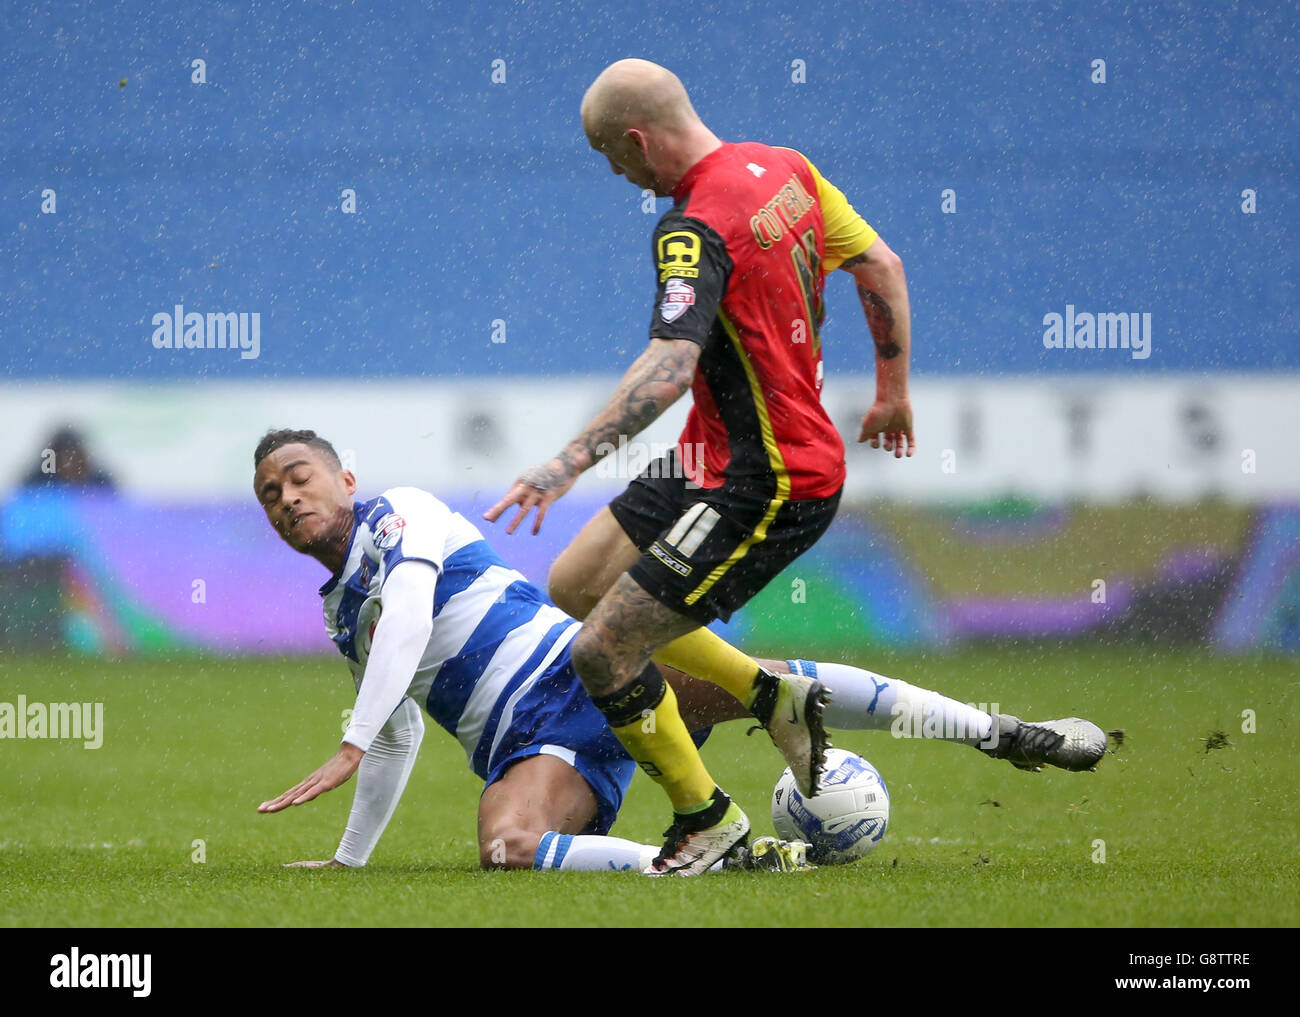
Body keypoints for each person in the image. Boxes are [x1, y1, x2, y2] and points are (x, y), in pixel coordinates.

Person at [254, 429, 1106, 875]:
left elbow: (409, 613)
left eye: (300, 475)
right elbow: (401, 726)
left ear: (347, 479)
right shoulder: (339, 612)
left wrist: (349, 740)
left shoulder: (402, 514)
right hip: (536, 747)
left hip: (581, 661)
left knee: (769, 686)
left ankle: (1001, 730)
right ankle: (716, 857)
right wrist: (349, 856)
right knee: (505, 848)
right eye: (271, 495)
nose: (288, 496)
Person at [484, 58, 917, 874]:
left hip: (768, 475)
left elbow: (671, 363)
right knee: (575, 583)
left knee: (600, 652)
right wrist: (892, 391)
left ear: (639, 140)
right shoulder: (787, 169)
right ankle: (772, 694)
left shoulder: (692, 227)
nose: (619, 175)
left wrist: (566, 462)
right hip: (709, 454)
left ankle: (706, 817)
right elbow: (881, 267)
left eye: (613, 157)